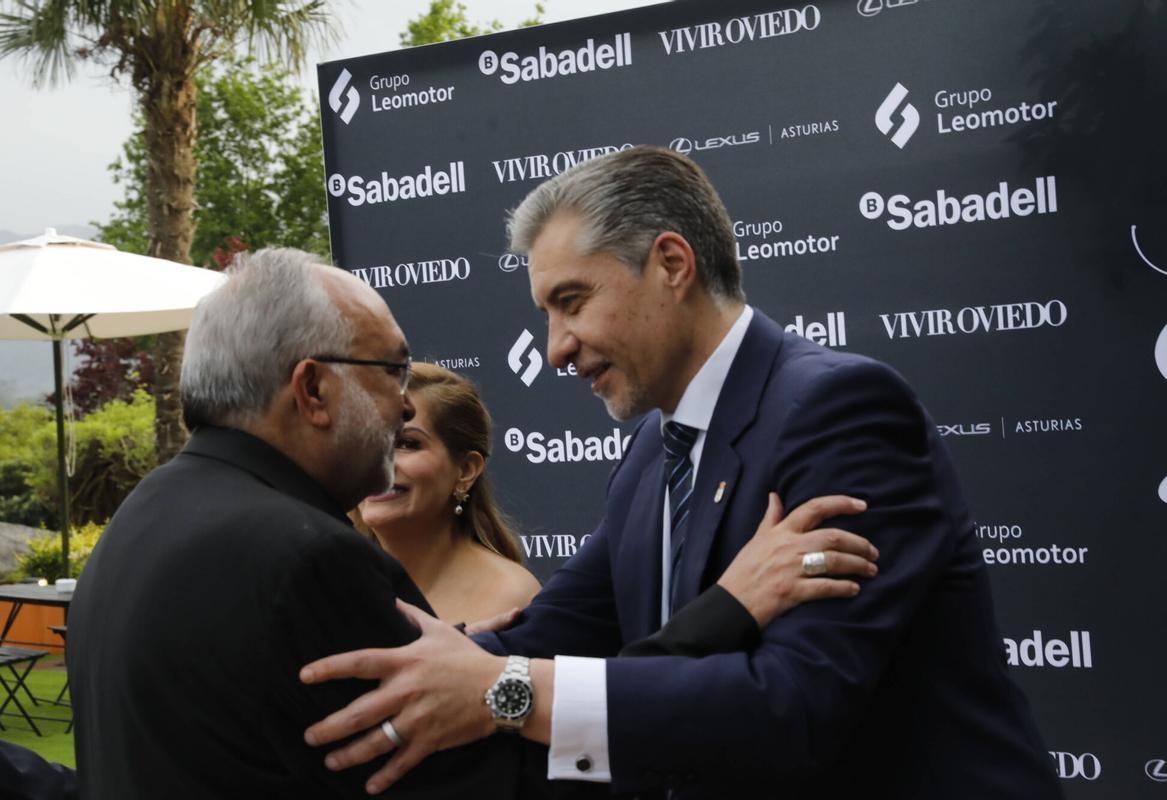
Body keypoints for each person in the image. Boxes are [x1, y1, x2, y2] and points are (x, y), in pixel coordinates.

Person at [302, 147, 1062, 799]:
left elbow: (795, 706)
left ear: (671, 264)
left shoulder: (840, 409)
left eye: (572, 302)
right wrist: (384, 667)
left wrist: (506, 693)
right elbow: (556, 633)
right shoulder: (651, 453)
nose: (555, 347)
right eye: (547, 314)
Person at [65, 248, 535, 799]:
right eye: (393, 371)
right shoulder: (311, 558)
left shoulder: (147, 508)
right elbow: (464, 782)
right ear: (312, 390)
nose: (406, 405)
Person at [357, 362, 539, 624]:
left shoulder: (511, 598)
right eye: (364, 441)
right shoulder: (329, 583)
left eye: (407, 443)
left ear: (466, 470)